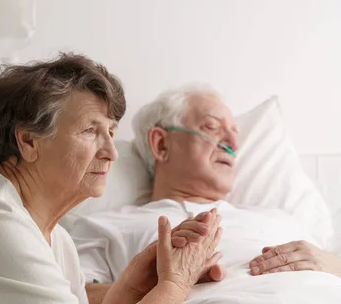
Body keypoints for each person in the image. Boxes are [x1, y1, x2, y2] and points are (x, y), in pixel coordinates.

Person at [0, 57, 222, 304]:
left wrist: (132, 285)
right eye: (90, 130)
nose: (111, 152)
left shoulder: (53, 236)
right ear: (29, 141)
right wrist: (175, 284)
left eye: (112, 132)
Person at [69, 84, 341, 287]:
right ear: (161, 145)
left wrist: (332, 264)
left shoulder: (281, 219)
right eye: (212, 127)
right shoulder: (104, 228)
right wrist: (166, 286)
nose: (234, 145)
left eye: (235, 134)